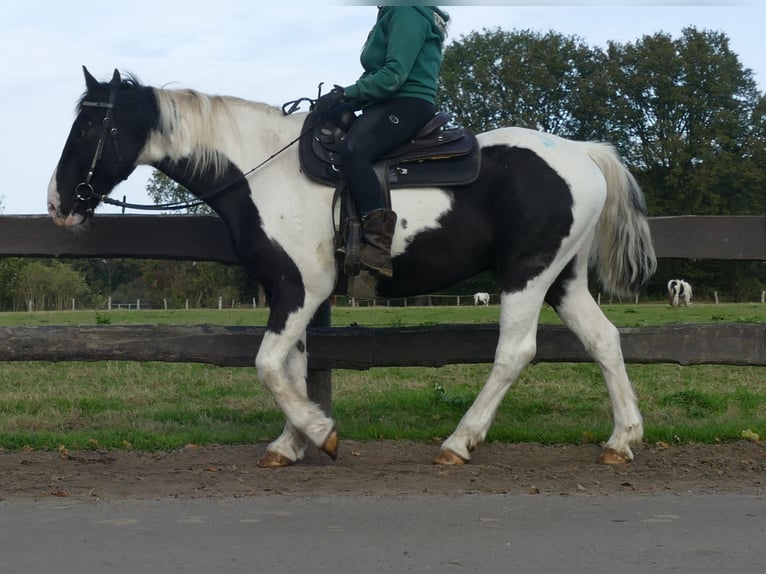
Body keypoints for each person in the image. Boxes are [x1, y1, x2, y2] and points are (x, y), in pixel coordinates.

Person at [314, 5, 451, 278]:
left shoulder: (406, 11)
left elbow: (394, 76)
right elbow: (375, 77)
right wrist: (345, 100)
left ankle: (377, 246)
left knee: (355, 151)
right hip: (384, 102)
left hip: (406, 102)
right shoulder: (390, 13)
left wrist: (347, 94)